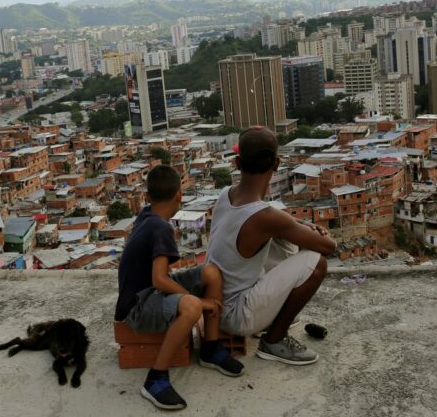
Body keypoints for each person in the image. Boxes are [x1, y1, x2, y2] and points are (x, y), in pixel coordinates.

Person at [115, 164, 244, 411]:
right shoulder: (161, 227)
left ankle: (210, 347)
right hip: (137, 306)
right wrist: (201, 302)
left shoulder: (147, 214)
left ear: (148, 197)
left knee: (211, 273)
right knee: (193, 306)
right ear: (179, 196)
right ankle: (155, 379)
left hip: (149, 292)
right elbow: (159, 281)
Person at [207, 126, 336, 365]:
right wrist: (316, 232)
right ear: (276, 164)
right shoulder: (265, 217)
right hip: (236, 316)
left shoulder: (226, 194)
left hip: (214, 307)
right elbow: (328, 247)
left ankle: (273, 316)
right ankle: (274, 339)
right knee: (316, 263)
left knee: (283, 230)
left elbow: (276, 221)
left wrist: (300, 226)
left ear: (237, 162)